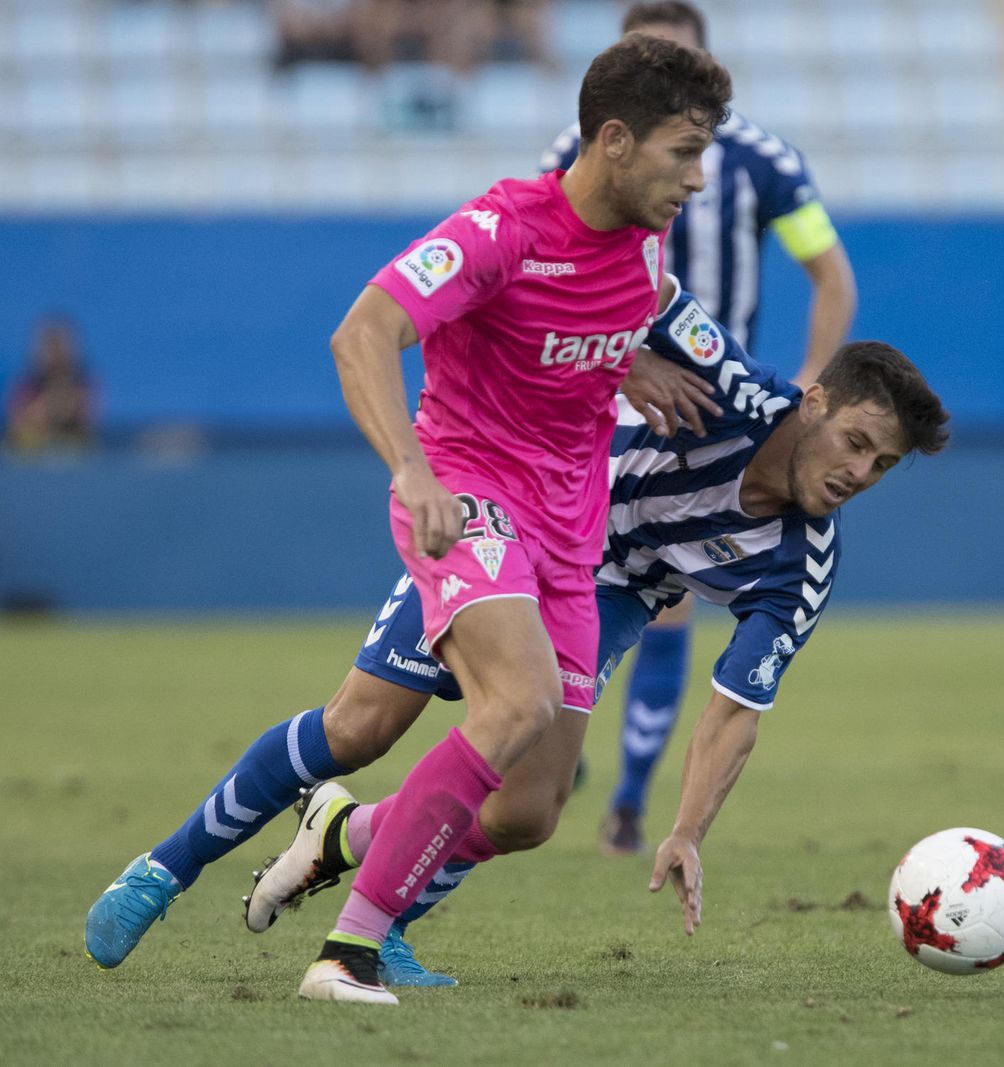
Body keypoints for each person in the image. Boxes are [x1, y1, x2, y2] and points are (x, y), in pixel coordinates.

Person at [83, 34, 733, 1006]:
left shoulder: (647, 240)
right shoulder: (501, 226)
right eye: (684, 151)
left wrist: (625, 359)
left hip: (566, 535)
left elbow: (590, 322)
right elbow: (363, 333)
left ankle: (336, 833)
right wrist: (413, 470)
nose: (698, 175)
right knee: (506, 706)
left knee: (519, 802)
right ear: (613, 140)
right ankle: (331, 945)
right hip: (465, 498)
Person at [249, 282, 947, 991]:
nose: (861, 473)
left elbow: (735, 711)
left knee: (524, 808)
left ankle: (362, 871)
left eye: (882, 465)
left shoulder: (804, 566)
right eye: (858, 444)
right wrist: (627, 362)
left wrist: (686, 831)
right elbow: (625, 284)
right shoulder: (732, 388)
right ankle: (173, 869)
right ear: (816, 402)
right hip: (528, 515)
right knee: (364, 724)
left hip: (612, 592)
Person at [542, 1, 859, 857]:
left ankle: (629, 797)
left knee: (664, 591)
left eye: (672, 58)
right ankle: (543, 735)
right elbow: (544, 261)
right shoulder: (580, 148)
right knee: (570, 585)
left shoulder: (761, 162)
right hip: (595, 388)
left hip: (712, 409)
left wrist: (801, 393)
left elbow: (831, 275)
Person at [5, 315, 97, 454]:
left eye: (59, 346)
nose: (55, 353)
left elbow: (86, 420)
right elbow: (19, 423)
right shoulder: (26, 388)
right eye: (49, 346)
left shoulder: (83, 388)